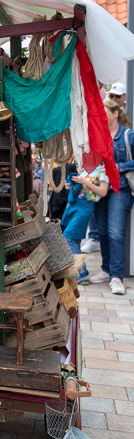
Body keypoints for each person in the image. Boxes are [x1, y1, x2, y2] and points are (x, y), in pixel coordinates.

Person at [89, 99, 134, 295]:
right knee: (103, 232)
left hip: (120, 189)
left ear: (115, 113)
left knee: (116, 233)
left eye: (104, 111)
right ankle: (106, 270)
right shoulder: (98, 135)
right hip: (100, 188)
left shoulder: (128, 135)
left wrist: (118, 168)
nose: (101, 115)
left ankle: (117, 277)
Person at [61, 164, 108, 285]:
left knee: (68, 237)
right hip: (73, 205)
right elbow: (80, 188)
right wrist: (70, 186)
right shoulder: (82, 167)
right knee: (75, 239)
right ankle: (79, 272)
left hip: (85, 207)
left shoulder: (102, 170)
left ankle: (83, 271)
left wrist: (85, 182)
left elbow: (103, 192)